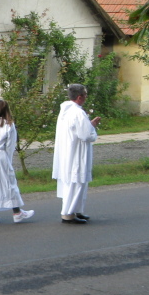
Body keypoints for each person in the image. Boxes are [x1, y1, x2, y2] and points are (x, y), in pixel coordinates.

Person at [52, 83, 100, 224]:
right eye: (85, 95)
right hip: (77, 152)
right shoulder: (77, 112)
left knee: (77, 182)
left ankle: (76, 210)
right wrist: (93, 129)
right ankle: (68, 213)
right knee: (76, 181)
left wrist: (89, 125)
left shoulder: (66, 111)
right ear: (80, 97)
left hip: (69, 150)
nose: (86, 98)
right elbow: (85, 135)